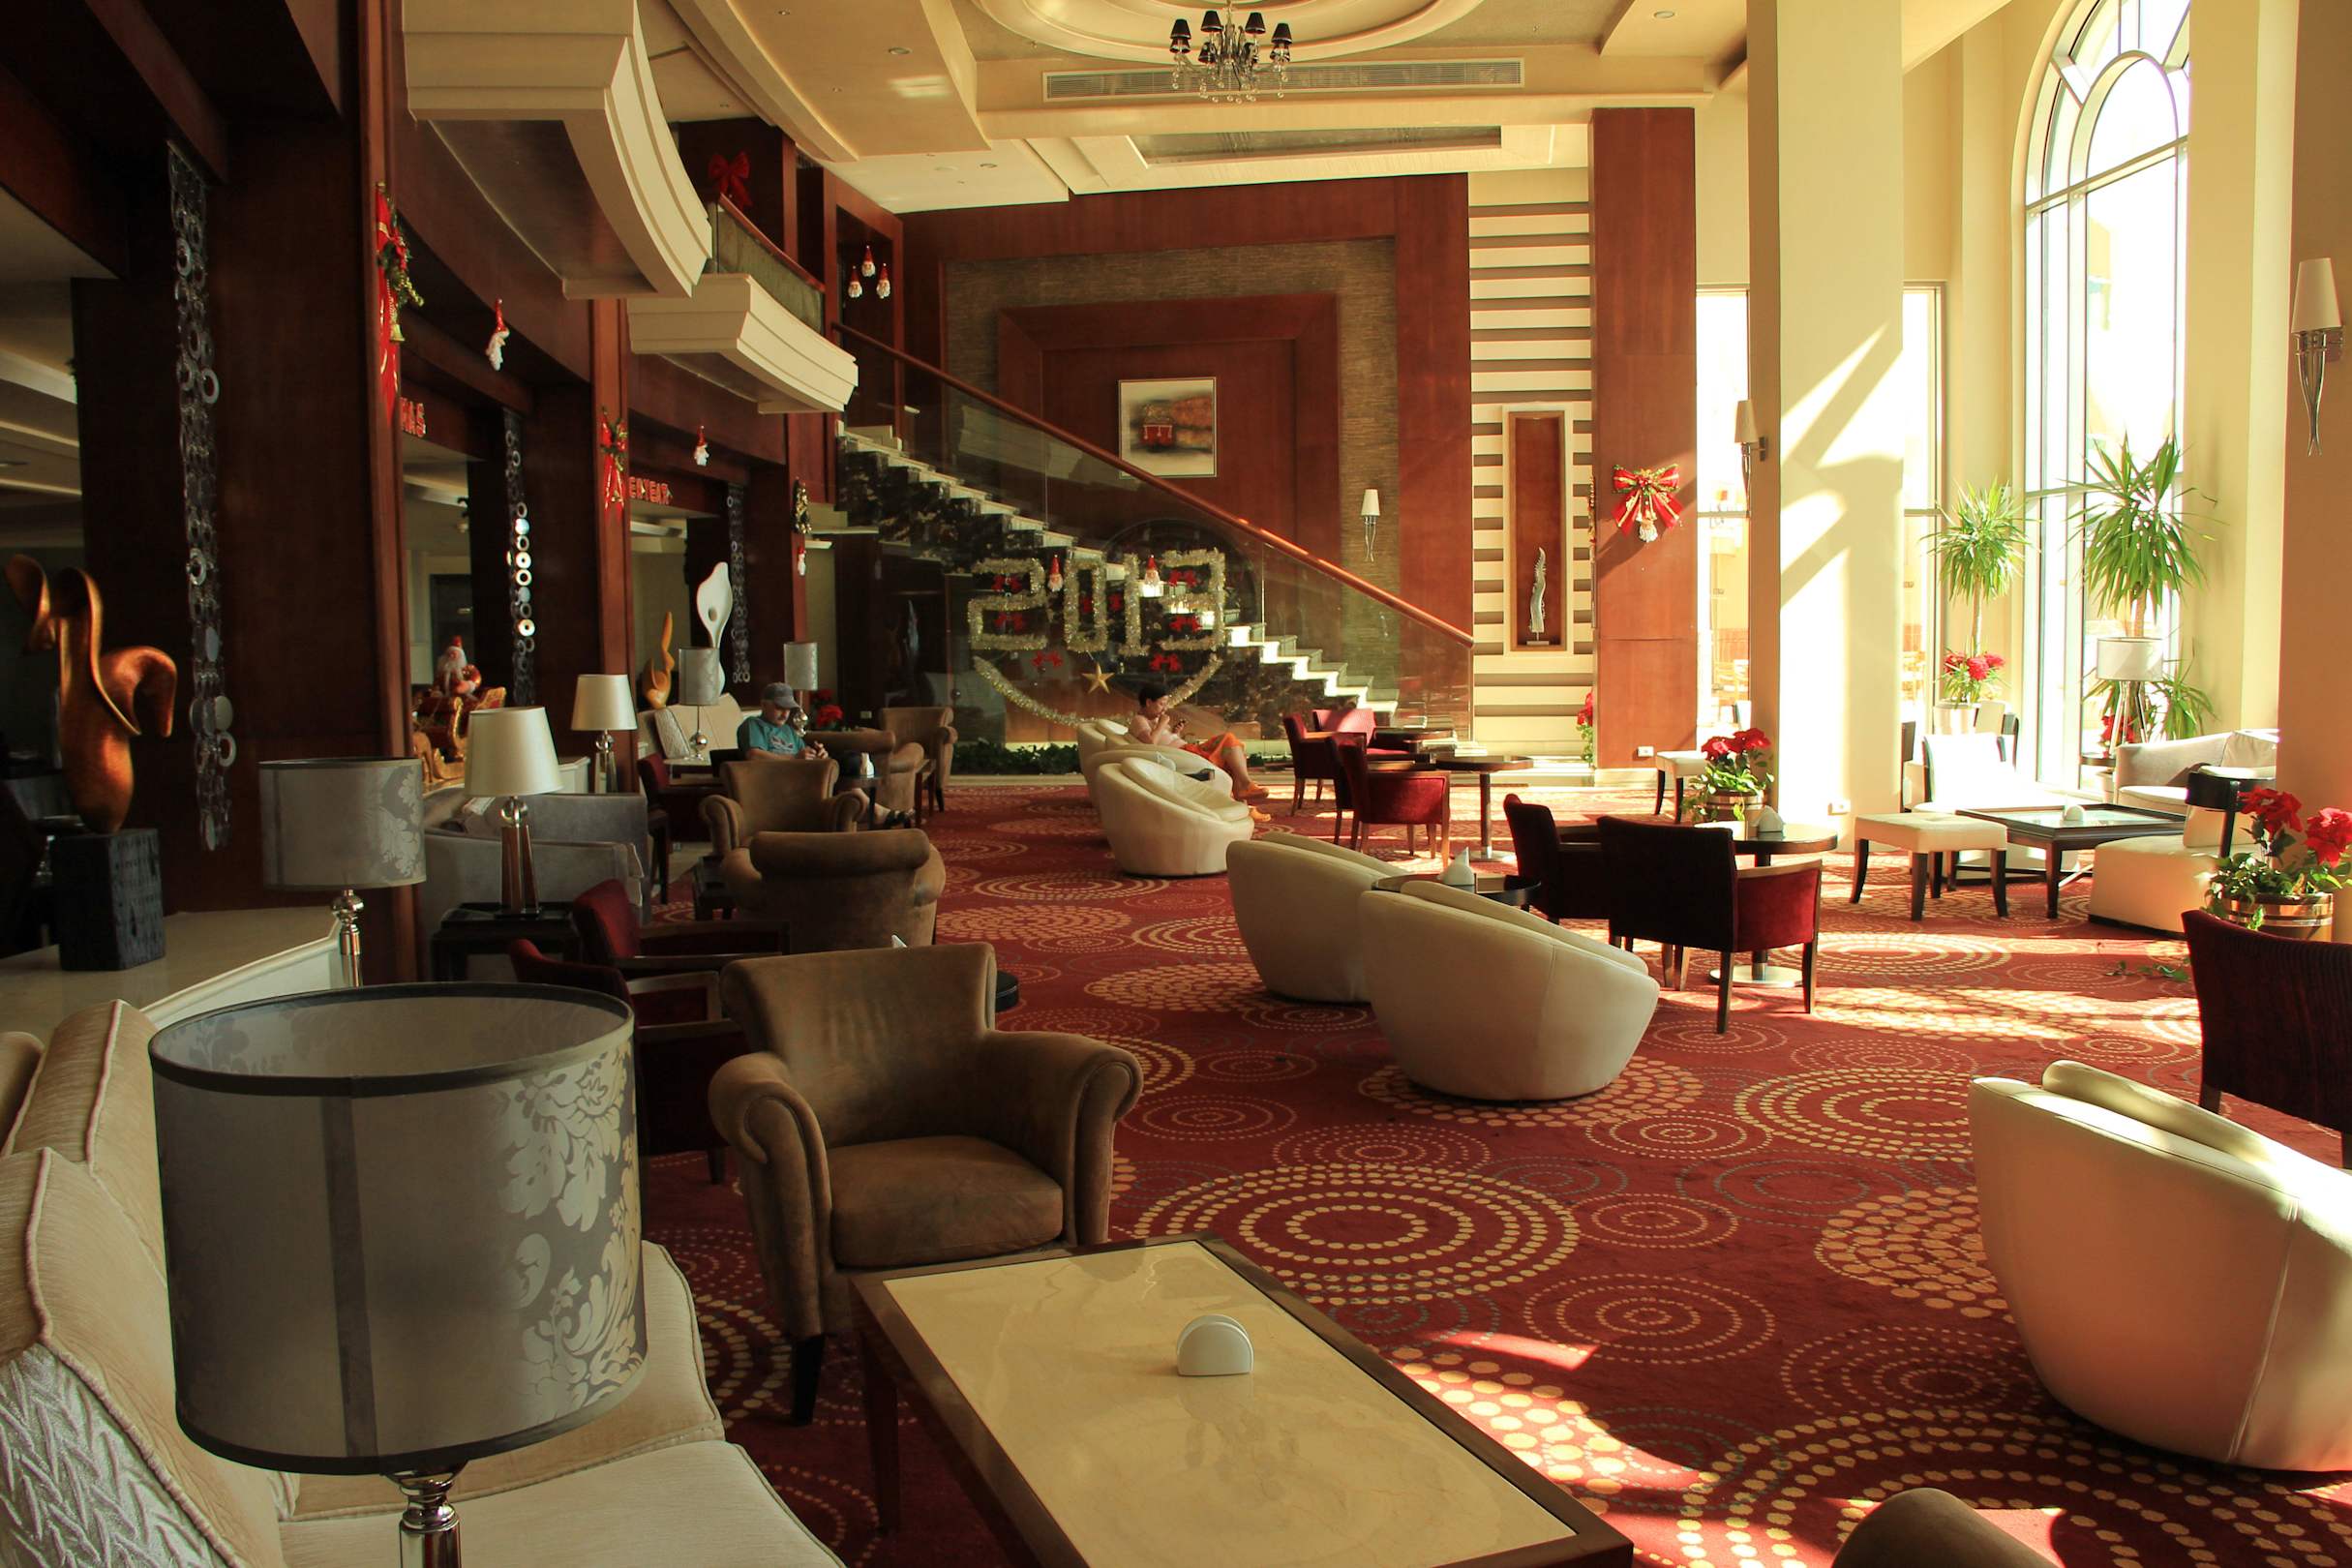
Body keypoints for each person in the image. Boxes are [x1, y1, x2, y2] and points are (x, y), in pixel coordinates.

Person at [1127, 682, 1269, 816]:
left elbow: (1165, 740)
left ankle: (1244, 801)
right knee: (1229, 741)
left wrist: (1175, 732)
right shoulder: (1139, 720)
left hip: (1189, 750)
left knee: (1233, 750)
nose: (1164, 709)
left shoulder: (1155, 720)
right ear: (1148, 702)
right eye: (1161, 704)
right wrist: (1162, 725)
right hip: (1185, 754)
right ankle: (1245, 787)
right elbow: (1150, 744)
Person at [738, 683, 828, 761]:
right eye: (779, 708)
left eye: (788, 709)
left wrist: (817, 755)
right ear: (764, 705)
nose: (785, 715)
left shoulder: (789, 730)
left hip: (797, 773)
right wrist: (794, 758)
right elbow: (754, 756)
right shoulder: (754, 724)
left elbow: (804, 756)